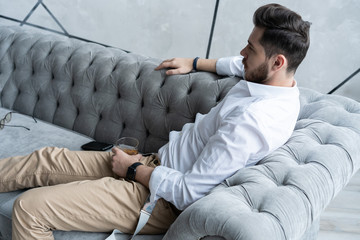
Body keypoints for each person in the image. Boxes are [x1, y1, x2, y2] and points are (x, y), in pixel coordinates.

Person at [0, 3, 310, 240]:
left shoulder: (253, 121)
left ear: (277, 61)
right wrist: (197, 62)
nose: (243, 52)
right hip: (155, 165)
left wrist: (133, 169)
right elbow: (239, 66)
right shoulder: (276, 84)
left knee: (30, 209)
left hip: (159, 198)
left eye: (251, 48)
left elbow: (189, 192)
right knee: (46, 160)